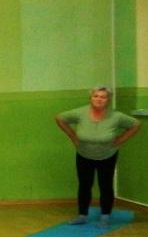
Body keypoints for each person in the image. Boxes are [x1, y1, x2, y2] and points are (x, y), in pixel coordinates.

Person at [55, 85, 140, 226]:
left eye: (103, 97)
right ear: (90, 98)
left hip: (107, 155)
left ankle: (105, 217)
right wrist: (72, 135)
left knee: (105, 185)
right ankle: (82, 215)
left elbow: (135, 124)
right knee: (84, 185)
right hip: (84, 154)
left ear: (108, 99)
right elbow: (59, 118)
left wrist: (121, 139)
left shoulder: (116, 116)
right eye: (96, 96)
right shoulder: (80, 113)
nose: (99, 99)